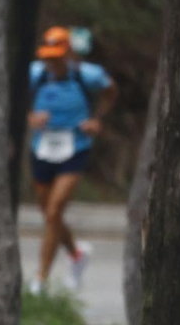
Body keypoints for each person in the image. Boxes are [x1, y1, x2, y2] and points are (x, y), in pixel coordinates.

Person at [26, 25, 118, 294]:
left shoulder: (88, 75)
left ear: (67, 53)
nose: (51, 61)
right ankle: (77, 255)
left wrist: (97, 119)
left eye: (56, 56)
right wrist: (30, 116)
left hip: (75, 146)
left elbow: (111, 92)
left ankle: (40, 278)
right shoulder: (35, 73)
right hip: (42, 147)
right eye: (47, 56)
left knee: (54, 211)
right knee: (49, 214)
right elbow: (13, 97)